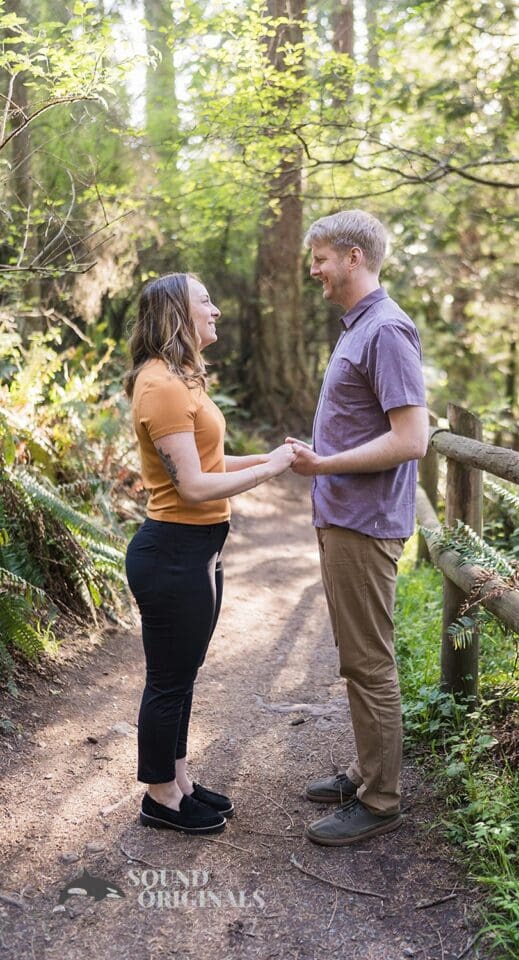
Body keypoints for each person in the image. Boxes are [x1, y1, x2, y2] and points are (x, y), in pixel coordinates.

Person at [124, 272, 295, 835]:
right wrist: (271, 471)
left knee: (183, 672)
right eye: (206, 301)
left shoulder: (182, 380)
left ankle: (180, 780)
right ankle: (160, 797)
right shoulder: (162, 387)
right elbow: (193, 488)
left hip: (198, 549)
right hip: (173, 550)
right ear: (178, 313)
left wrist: (265, 457)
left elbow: (209, 465)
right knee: (169, 679)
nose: (216, 310)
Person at [287, 210, 428, 846]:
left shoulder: (388, 330)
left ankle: (380, 801)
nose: (313, 268)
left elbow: (411, 439)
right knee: (355, 655)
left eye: (319, 257)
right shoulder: (358, 328)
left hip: (364, 522)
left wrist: (325, 464)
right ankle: (366, 771)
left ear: (352, 257)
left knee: (369, 661)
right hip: (342, 516)